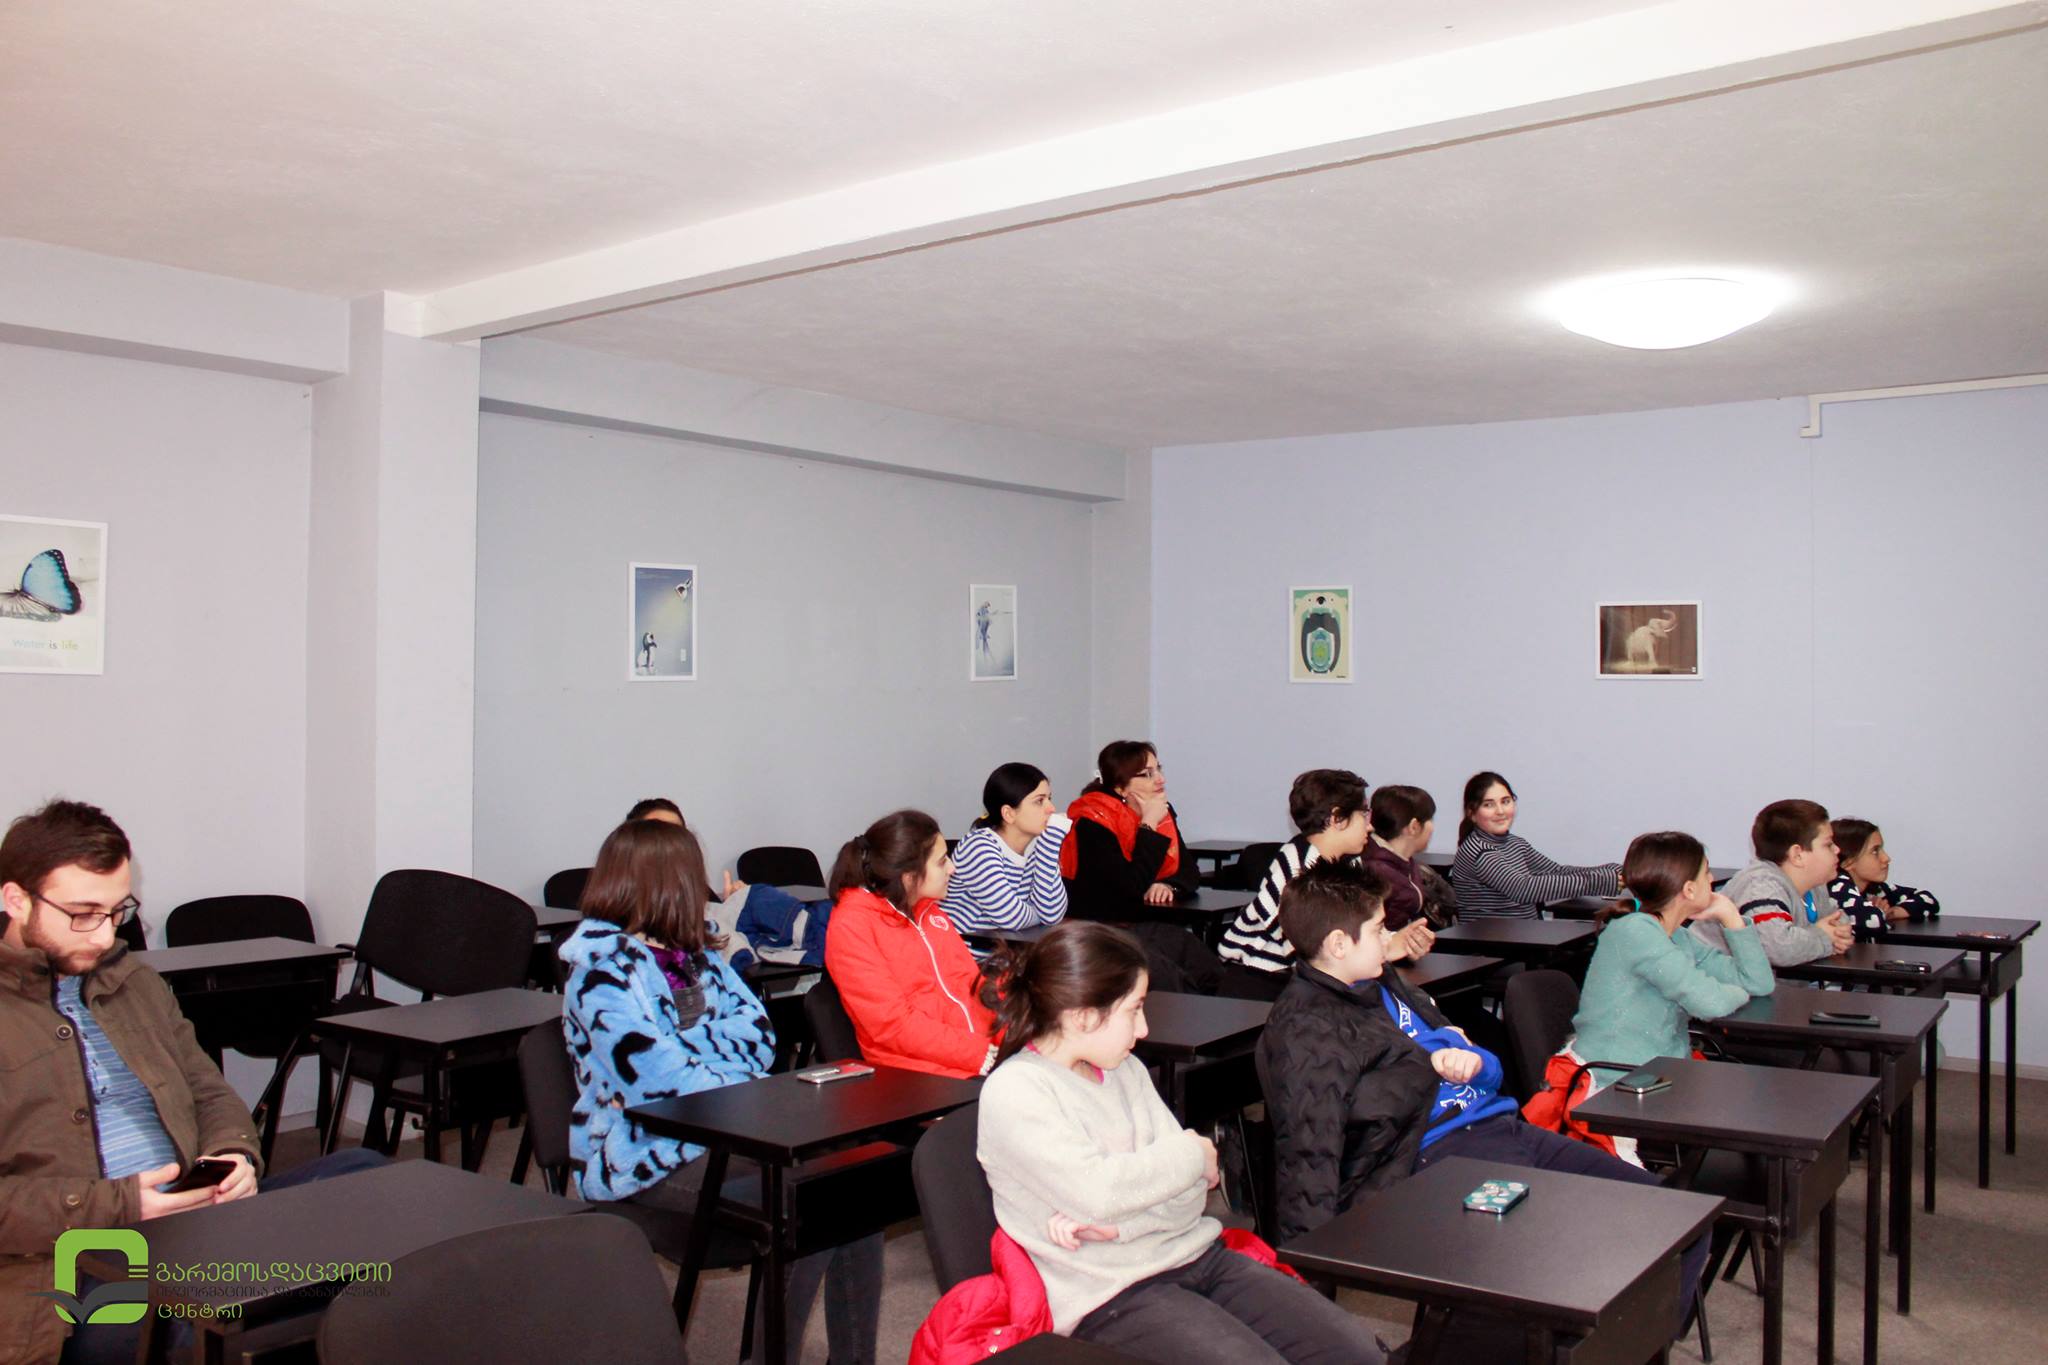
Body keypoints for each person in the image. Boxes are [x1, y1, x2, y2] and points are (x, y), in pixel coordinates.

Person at [1258, 862, 1706, 1351]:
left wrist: (1463, 1058)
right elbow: (1309, 1153)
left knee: (1676, 1219)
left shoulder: (1383, 983)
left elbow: (1485, 1067)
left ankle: (1630, 1348)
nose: (1389, 938)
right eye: (1378, 928)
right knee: (1565, 1258)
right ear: (1339, 944)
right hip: (1435, 1155)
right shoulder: (1307, 1029)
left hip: (1499, 1124)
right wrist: (1309, 1288)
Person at [0, 800, 385, 1365]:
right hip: (74, 1260)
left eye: (117, 912)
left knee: (373, 1182)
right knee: (202, 1324)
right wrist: (121, 1204)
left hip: (195, 1217)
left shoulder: (134, 982)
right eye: (83, 914)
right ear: (16, 899)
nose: (104, 936)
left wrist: (233, 1155)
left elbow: (208, 1090)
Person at [975, 921, 1384, 1365]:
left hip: (1196, 1253)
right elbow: (1103, 1193)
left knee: (1358, 1353)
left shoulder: (1125, 1069)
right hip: (1108, 1295)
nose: (1144, 1028)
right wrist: (1192, 1152)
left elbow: (1192, 1196)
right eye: (1134, 1010)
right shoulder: (1017, 1091)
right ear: (1083, 1016)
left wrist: (1122, 1225)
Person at [560, 817, 881, 1362]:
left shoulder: (699, 956)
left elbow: (759, 1036)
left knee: (852, 1190)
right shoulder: (599, 972)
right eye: (693, 876)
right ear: (667, 884)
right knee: (807, 1204)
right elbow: (659, 1078)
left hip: (731, 1132)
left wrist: (690, 1046)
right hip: (642, 1152)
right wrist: (715, 1052)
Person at [1568, 832, 1776, 1080]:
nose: (1712, 879)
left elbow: (1759, 983)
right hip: (1616, 1081)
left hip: (1662, 1072)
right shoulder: (1635, 932)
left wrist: (1732, 918)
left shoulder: (1676, 935)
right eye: (1706, 873)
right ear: (1689, 889)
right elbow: (1711, 1002)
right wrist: (1739, 993)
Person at [1217, 769, 1431, 1000]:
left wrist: (1397, 942)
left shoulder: (1350, 861)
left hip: (1306, 980)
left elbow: (1360, 925)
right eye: (1364, 814)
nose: (1370, 826)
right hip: (1260, 984)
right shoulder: (1295, 867)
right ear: (1337, 818)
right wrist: (1384, 950)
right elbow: (1310, 950)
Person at [824, 809, 998, 1078]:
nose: (952, 868)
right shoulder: (852, 925)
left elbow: (973, 986)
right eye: (942, 862)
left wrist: (1018, 1033)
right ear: (908, 876)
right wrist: (981, 1055)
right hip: (914, 1074)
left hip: (970, 1057)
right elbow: (892, 1026)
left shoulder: (927, 910)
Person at [1060, 740, 1220, 993]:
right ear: (1120, 786)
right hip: (1103, 929)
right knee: (1173, 979)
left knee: (1205, 965)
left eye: (1159, 770)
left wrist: (1168, 884)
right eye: (1147, 774)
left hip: (1144, 922)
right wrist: (1148, 825)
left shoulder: (1160, 811)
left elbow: (1189, 872)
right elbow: (1128, 890)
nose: (1160, 780)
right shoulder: (1094, 821)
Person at [1697, 799, 1854, 965]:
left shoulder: (1815, 886)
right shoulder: (1760, 884)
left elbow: (1839, 923)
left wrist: (1830, 935)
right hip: (1708, 974)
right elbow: (1778, 949)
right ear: (1797, 855)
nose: (1837, 849)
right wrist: (1824, 937)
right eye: (1828, 844)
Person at [1450, 771, 1621, 919]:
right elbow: (1522, 888)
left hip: (1527, 937)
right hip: (1492, 943)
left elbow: (1556, 871)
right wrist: (1601, 881)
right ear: (1472, 813)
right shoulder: (1478, 851)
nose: (1500, 811)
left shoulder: (1515, 844)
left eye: (1506, 801)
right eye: (1489, 805)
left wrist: (1613, 871)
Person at [944, 763, 1071, 934]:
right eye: (1039, 801)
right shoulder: (979, 847)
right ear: (1009, 813)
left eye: (1049, 798)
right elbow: (1010, 917)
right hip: (966, 947)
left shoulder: (1040, 845)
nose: (1051, 809)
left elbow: (1054, 915)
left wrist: (1049, 848)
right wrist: (1040, 915)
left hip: (1007, 946)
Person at [1357, 784, 1457, 932]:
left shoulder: (1402, 861)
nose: (1432, 827)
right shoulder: (1377, 872)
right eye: (1430, 819)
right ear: (1414, 827)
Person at [1828, 818, 1941, 941]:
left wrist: (1893, 912)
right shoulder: (1836, 886)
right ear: (1848, 862)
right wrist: (1878, 911)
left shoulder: (1875, 890)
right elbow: (1872, 921)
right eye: (1875, 851)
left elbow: (1928, 899)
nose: (1886, 858)